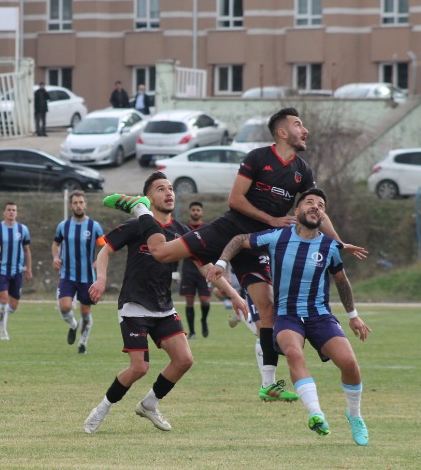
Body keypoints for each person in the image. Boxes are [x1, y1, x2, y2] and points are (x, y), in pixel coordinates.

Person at [102, 107, 367, 402]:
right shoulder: (258, 158)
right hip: (229, 228)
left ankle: (268, 384)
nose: (305, 130)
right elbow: (235, 199)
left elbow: (315, 208)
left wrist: (339, 243)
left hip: (254, 244)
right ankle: (140, 208)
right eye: (298, 124)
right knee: (161, 252)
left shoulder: (302, 171)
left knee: (267, 307)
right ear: (282, 132)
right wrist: (271, 220)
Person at [83, 172, 248, 434]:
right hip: (134, 304)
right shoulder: (137, 223)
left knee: (184, 359)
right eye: (161, 189)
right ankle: (102, 408)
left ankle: (149, 404)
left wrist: (235, 295)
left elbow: (206, 267)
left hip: (163, 307)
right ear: (147, 198)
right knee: (139, 367)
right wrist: (101, 279)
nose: (169, 192)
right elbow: (104, 251)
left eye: (171, 188)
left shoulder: (181, 231)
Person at [210, 188, 371, 445]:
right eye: (309, 202)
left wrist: (353, 315)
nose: (315, 206)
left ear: (323, 214)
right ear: (296, 211)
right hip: (287, 316)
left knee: (349, 364)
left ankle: (354, 416)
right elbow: (240, 239)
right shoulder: (279, 236)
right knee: (294, 354)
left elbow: (342, 281)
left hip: (320, 316)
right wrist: (221, 263)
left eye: (320, 204)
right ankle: (316, 413)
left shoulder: (329, 246)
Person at [51, 190, 103, 354]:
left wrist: (99, 260)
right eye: (75, 203)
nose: (79, 205)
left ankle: (83, 342)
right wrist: (55, 257)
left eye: (81, 202)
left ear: (85, 204)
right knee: (65, 307)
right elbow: (55, 244)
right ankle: (74, 325)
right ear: (71, 205)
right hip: (67, 274)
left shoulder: (94, 226)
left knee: (85, 312)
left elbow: (105, 245)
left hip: (87, 276)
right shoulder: (63, 226)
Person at [0, 202, 32, 340]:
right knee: (3, 300)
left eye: (13, 210)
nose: (11, 212)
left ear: (16, 212)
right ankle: (3, 331)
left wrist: (29, 269)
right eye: (9, 210)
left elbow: (27, 250)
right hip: (0, 270)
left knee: (13, 305)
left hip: (17, 271)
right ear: (4, 212)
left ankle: (2, 317)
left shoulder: (23, 229)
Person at [178, 201, 212, 339]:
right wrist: (174, 270)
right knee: (189, 300)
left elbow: (213, 247)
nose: (196, 212)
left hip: (204, 269)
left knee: (204, 300)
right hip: (188, 270)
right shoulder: (184, 229)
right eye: (193, 210)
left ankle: (204, 321)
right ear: (190, 212)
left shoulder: (208, 229)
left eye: (198, 210)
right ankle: (192, 331)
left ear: (201, 212)